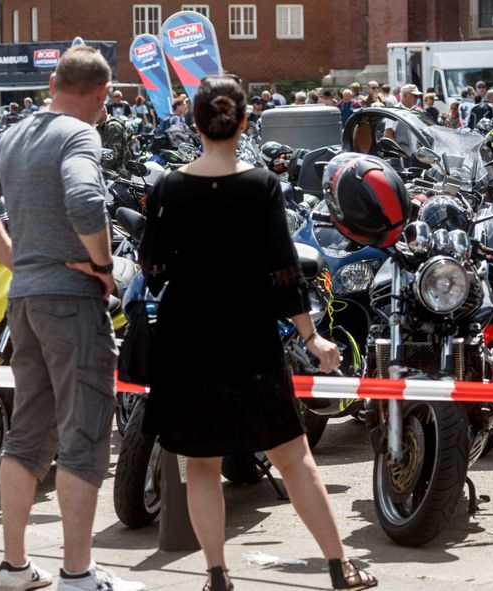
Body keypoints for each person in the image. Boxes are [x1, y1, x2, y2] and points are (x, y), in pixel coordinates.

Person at [138, 74, 377, 591]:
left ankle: (217, 575)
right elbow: (284, 270)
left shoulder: (168, 188)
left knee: (200, 465)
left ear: (193, 122)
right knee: (293, 456)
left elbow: (152, 267)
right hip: (248, 331)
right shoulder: (263, 185)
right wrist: (311, 336)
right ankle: (339, 565)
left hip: (188, 333)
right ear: (245, 122)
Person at [0, 45, 144, 591]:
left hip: (26, 301)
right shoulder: (81, 135)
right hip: (71, 302)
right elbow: (86, 201)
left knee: (28, 437)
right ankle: (78, 575)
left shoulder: (14, 133)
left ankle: (14, 567)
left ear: (54, 80)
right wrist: (104, 267)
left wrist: (20, 260)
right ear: (103, 94)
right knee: (83, 436)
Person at [384, 83, 421, 153]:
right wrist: (401, 152)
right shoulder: (395, 111)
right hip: (401, 160)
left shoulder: (414, 111)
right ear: (405, 95)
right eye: (415, 96)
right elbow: (388, 136)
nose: (417, 98)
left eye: (418, 96)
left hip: (414, 157)